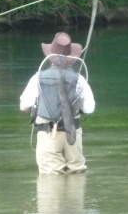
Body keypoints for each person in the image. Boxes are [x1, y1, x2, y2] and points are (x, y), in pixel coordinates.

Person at [20, 32, 95, 174]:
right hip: (73, 135)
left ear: (50, 57)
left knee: (52, 179)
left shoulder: (37, 78)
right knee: (76, 174)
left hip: (48, 134)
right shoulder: (79, 79)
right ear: (72, 57)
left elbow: (23, 106)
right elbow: (89, 108)